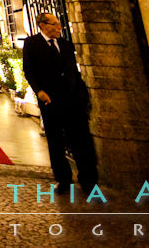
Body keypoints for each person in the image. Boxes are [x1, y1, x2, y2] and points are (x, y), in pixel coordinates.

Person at [22, 13, 99, 195]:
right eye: (55, 24)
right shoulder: (32, 44)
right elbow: (29, 70)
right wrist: (39, 91)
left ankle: (88, 179)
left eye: (58, 24)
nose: (59, 27)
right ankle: (63, 178)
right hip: (50, 100)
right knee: (55, 140)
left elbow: (74, 72)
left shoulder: (65, 45)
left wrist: (82, 96)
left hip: (72, 99)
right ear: (42, 25)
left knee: (80, 139)